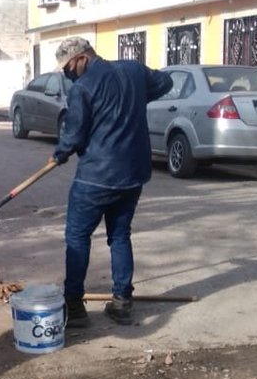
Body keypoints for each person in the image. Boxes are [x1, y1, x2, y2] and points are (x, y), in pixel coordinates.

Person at [51, 38, 173, 325]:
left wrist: (60, 153)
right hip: (132, 174)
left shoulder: (83, 87)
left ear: (81, 58)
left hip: (97, 177)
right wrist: (136, 95)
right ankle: (122, 302)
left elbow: (75, 134)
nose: (68, 74)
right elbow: (165, 82)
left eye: (68, 67)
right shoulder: (134, 71)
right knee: (119, 236)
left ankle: (75, 308)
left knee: (77, 238)